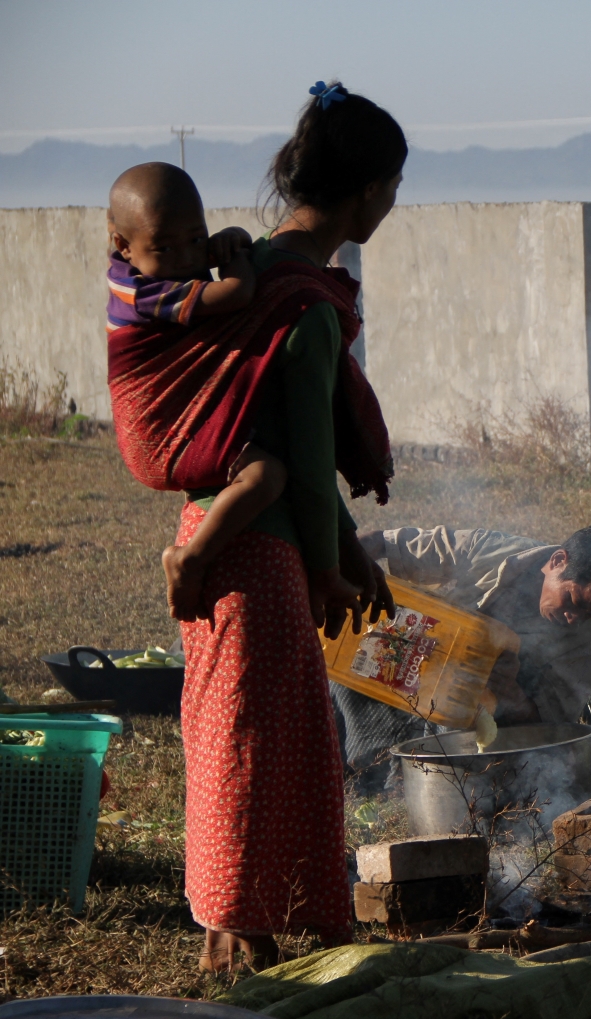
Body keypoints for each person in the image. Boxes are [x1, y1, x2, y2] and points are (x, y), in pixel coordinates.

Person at [110, 81, 405, 973]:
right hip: (256, 556)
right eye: (393, 186)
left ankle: (254, 923)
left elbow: (282, 448)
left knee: (243, 736)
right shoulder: (308, 303)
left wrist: (351, 552)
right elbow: (308, 466)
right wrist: (330, 567)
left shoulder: (257, 272)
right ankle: (241, 933)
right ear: (366, 193)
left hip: (223, 527)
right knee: (252, 745)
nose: (393, 203)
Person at [103, 161, 290, 620]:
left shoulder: (160, 270)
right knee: (265, 477)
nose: (187, 257)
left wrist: (228, 238)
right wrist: (236, 260)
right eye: (165, 246)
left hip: (179, 423)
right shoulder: (143, 291)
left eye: (195, 238)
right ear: (123, 246)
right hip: (157, 432)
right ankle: (191, 558)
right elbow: (235, 296)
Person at [335, 525, 591, 784]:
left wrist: (510, 693)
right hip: (418, 660)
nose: (574, 619)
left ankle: (402, 785)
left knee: (454, 722)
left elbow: (555, 726)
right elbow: (384, 542)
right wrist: (335, 565)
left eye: (590, 614)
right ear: (557, 561)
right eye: (573, 601)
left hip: (484, 720)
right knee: (348, 668)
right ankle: (358, 774)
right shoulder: (496, 553)